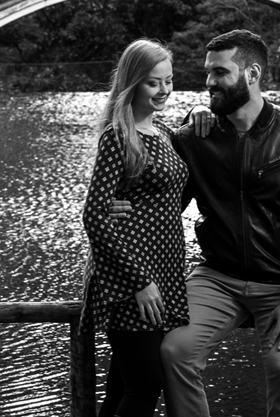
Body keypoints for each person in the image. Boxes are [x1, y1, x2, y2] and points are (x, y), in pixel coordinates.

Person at [117, 29, 280, 417]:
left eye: (220, 73)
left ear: (251, 74)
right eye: (208, 72)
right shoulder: (195, 138)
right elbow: (162, 199)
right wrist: (116, 208)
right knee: (175, 352)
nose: (208, 82)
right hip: (217, 277)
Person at [79, 39, 189, 417]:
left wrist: (202, 111)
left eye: (169, 81)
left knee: (124, 387)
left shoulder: (167, 135)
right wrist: (139, 281)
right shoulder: (118, 136)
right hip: (131, 281)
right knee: (146, 384)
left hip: (164, 273)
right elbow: (94, 215)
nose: (164, 91)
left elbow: (168, 196)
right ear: (133, 82)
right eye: (153, 83)